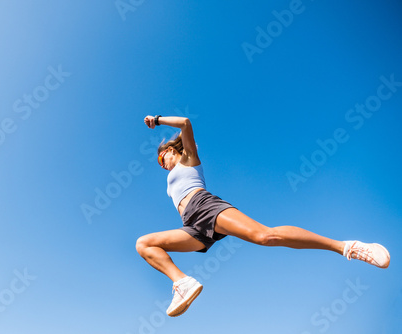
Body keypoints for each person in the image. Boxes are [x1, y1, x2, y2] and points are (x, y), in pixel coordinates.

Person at [136, 115, 391, 317]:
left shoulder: (189, 159)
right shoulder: (171, 178)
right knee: (145, 244)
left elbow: (185, 123)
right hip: (191, 224)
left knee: (265, 236)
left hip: (204, 206)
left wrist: (156, 120)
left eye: (162, 157)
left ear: (172, 149)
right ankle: (182, 283)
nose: (162, 163)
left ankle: (348, 247)